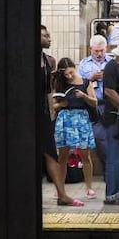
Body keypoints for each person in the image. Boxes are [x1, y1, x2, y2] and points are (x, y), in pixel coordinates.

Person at [40, 25, 84, 207]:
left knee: (51, 155)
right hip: (27, 114)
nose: (50, 38)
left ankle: (62, 195)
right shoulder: (26, 58)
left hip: (42, 114)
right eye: (45, 35)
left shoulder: (47, 59)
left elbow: (47, 90)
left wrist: (54, 78)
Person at [53, 57, 97, 200]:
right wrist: (61, 105)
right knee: (62, 156)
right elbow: (54, 105)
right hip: (65, 119)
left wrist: (83, 96)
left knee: (85, 154)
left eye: (71, 73)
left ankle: (89, 187)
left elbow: (95, 102)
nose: (69, 77)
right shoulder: (60, 83)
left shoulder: (85, 82)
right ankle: (60, 188)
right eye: (66, 75)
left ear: (74, 67)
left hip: (82, 118)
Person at [78, 35, 112, 176]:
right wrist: (90, 79)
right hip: (94, 106)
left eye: (102, 51)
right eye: (96, 51)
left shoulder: (112, 62)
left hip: (111, 104)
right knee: (100, 139)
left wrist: (108, 77)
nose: (99, 54)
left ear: (106, 49)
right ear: (90, 49)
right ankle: (108, 172)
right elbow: (78, 85)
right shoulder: (84, 64)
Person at [102, 46, 119, 204]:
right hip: (114, 119)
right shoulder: (111, 67)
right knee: (114, 157)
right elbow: (109, 91)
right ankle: (112, 194)